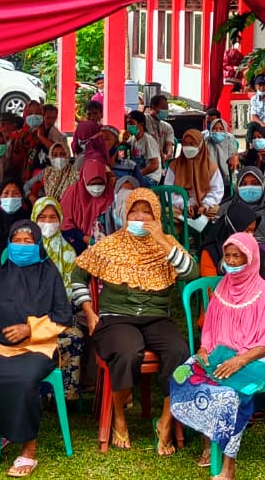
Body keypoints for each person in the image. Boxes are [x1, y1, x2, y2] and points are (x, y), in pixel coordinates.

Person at [73, 189, 196, 454]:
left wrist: (162, 240)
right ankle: (119, 417)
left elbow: (191, 273)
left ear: (157, 215)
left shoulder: (167, 243)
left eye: (146, 211)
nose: (140, 217)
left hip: (157, 317)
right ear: (125, 214)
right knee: (128, 352)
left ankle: (165, 422)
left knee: (179, 352)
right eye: (134, 211)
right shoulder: (109, 244)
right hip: (116, 318)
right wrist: (89, 311)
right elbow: (77, 275)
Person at [169, 231, 265, 479]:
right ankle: (208, 443)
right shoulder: (222, 288)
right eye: (228, 256)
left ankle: (228, 464)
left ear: (250, 259)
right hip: (222, 352)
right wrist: (202, 350)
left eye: (237, 257)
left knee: (230, 394)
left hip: (257, 355)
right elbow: (209, 331)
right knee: (185, 373)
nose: (230, 262)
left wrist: (240, 360)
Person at [0, 220, 73, 477]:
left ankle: (28, 447)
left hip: (38, 346)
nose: (22, 245)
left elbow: (62, 315)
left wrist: (30, 329)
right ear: (9, 244)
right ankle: (3, 430)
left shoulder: (49, 274)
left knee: (23, 380)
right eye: (17, 240)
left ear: (38, 245)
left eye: (28, 241)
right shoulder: (1, 276)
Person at [29, 196, 87, 400]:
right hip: (29, 317)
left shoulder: (69, 252)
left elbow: (70, 291)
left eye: (53, 217)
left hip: (60, 313)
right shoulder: (26, 250)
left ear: (60, 220)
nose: (47, 222)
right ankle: (36, 392)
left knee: (74, 336)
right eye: (42, 217)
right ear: (34, 219)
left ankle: (66, 395)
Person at [164, 128, 225, 222]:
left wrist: (205, 205)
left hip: (204, 207)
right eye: (185, 144)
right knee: (168, 214)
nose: (188, 147)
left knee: (218, 213)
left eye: (192, 144)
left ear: (201, 145)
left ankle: (205, 235)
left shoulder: (211, 167)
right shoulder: (174, 166)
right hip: (181, 207)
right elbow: (168, 190)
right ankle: (183, 234)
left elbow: (217, 190)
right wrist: (184, 205)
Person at [58, 160, 114, 251]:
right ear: (84, 180)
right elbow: (65, 223)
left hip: (105, 244)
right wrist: (88, 240)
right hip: (76, 240)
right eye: (92, 183)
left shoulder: (110, 193)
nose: (96, 188)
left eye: (100, 183)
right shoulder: (72, 193)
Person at [197, 199, 258, 278]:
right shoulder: (211, 253)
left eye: (253, 231)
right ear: (233, 228)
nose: (250, 235)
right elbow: (209, 286)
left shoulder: (254, 250)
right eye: (247, 230)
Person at [225, 168, 265, 253]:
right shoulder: (226, 209)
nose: (249, 188)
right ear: (237, 187)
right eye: (244, 184)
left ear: (263, 185)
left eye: (255, 183)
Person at [121, 110, 163, 183]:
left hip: (151, 178)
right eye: (127, 123)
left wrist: (136, 175)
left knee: (126, 184)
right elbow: (125, 144)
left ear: (141, 124)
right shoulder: (134, 139)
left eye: (131, 123)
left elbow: (155, 165)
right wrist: (123, 139)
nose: (129, 126)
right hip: (141, 175)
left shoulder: (148, 140)